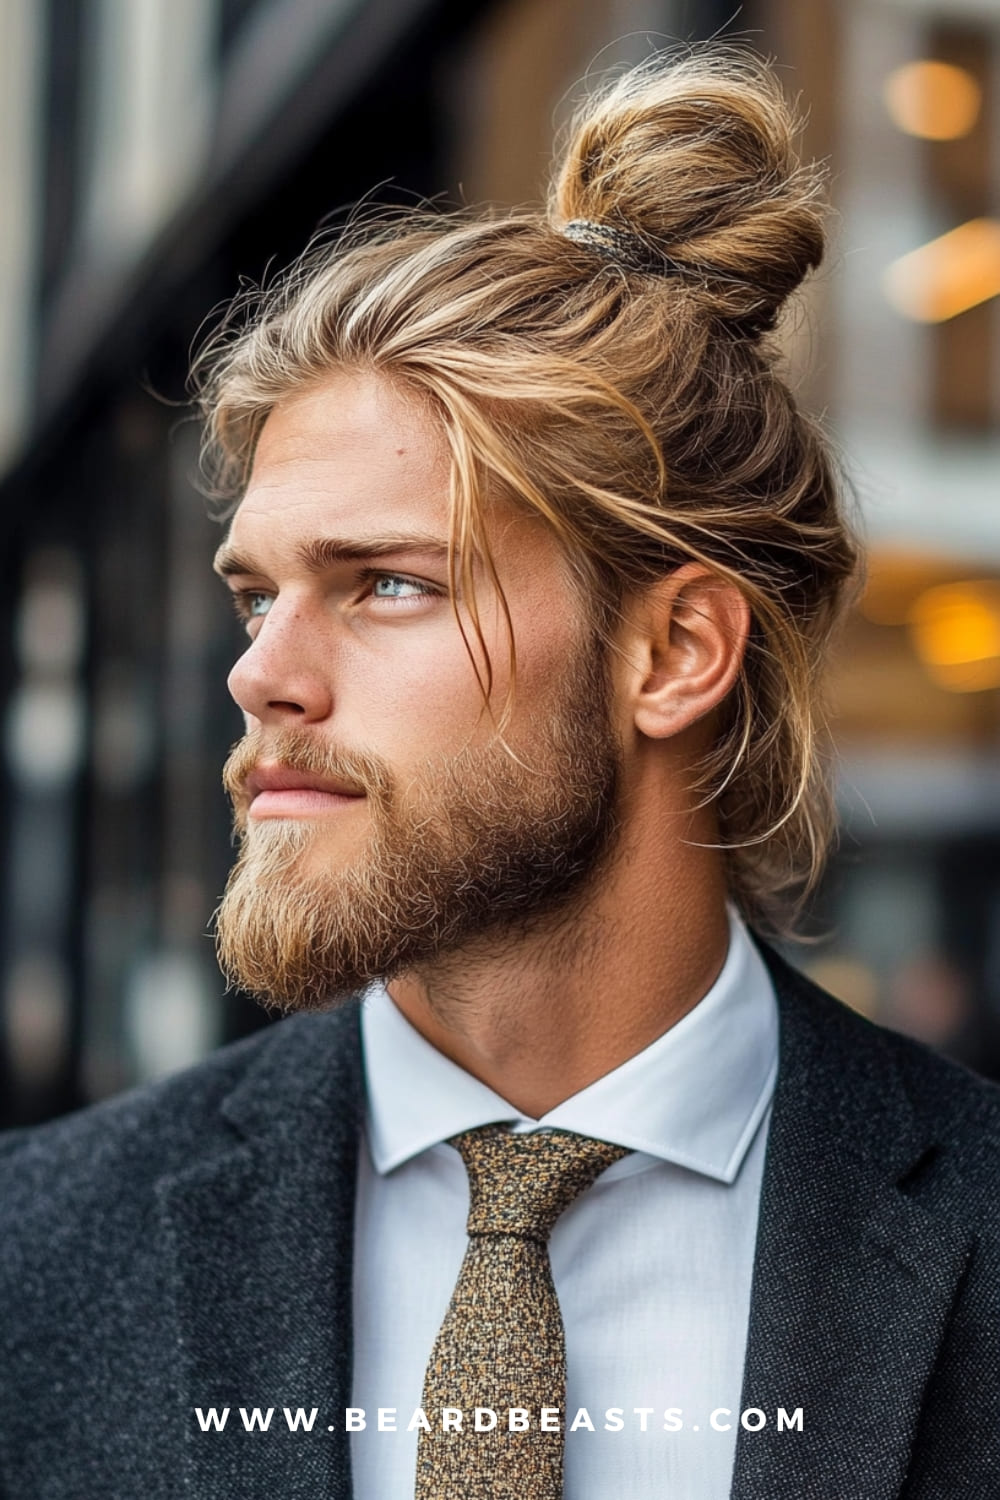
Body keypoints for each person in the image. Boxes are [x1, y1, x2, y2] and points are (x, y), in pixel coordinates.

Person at [1, 47, 998, 1500]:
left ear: (672, 655)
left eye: (388, 584)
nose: (263, 671)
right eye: (253, 594)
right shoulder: (38, 1258)